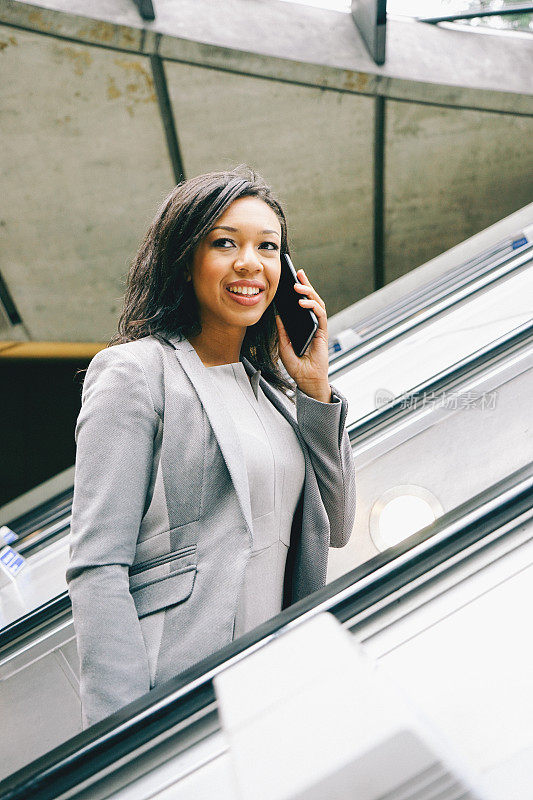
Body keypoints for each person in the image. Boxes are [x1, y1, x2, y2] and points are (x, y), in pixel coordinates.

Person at [67, 166, 356, 729]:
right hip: (176, 681)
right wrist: (123, 730)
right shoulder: (136, 372)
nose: (250, 262)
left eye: (267, 247)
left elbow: (338, 524)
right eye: (225, 243)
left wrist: (316, 389)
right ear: (185, 257)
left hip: (274, 676)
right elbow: (98, 564)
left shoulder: (273, 391)